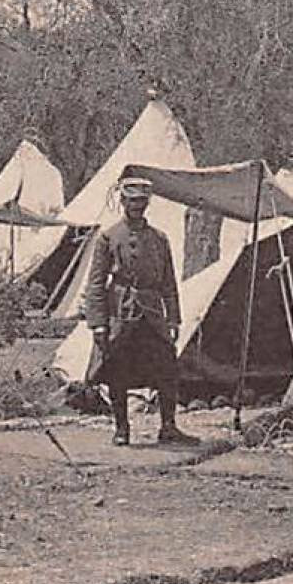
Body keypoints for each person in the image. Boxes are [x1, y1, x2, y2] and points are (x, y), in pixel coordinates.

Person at [84, 177, 195, 446]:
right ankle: (122, 429)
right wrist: (98, 323)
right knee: (117, 371)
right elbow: (96, 283)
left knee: (166, 369)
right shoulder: (108, 237)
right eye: (132, 201)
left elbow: (169, 281)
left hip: (153, 316)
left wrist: (173, 318)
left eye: (142, 201)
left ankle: (168, 426)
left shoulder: (159, 238)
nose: (137, 206)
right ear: (122, 202)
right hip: (120, 314)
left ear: (148, 203)